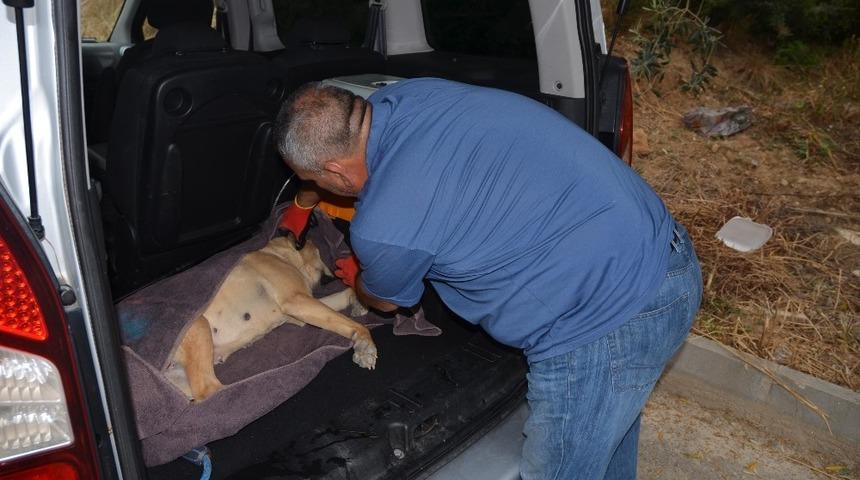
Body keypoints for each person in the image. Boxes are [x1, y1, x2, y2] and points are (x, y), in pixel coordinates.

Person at [274, 78, 703, 479]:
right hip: (664, 256)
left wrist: (363, 280)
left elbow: (387, 300)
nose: (318, 189)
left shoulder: (385, 220)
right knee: (606, 442)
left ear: (336, 170)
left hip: (604, 321)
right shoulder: (411, 94)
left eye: (315, 181)